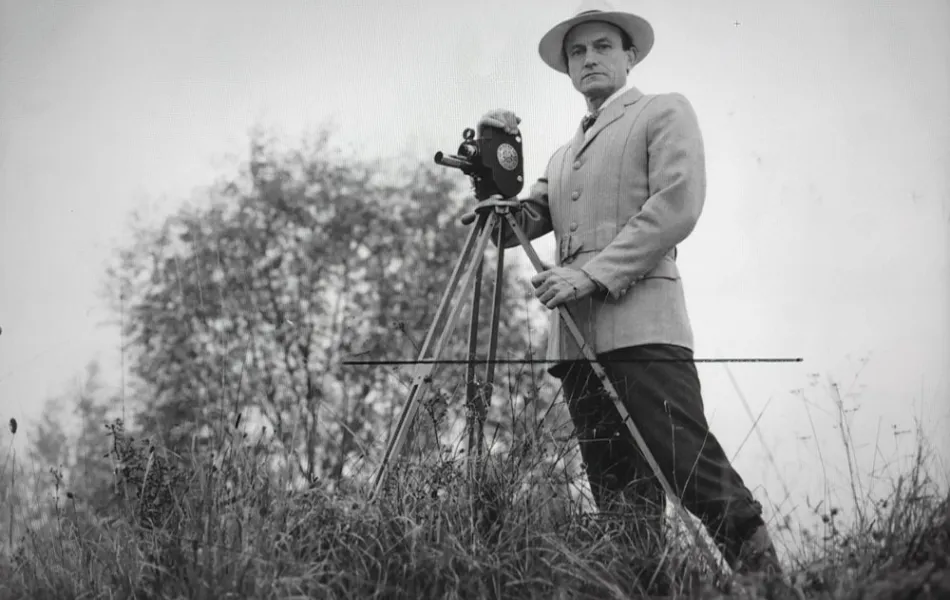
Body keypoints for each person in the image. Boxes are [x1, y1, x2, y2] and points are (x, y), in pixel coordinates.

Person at [476, 0, 782, 577]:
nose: (589, 59)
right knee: (619, 496)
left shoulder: (663, 112)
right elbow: (516, 224)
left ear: (630, 56)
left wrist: (589, 274)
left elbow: (675, 206)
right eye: (577, 52)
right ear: (567, 69)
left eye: (602, 47)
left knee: (689, 465)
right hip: (574, 345)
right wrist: (493, 166)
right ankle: (647, 588)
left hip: (644, 329)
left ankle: (769, 586)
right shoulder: (562, 156)